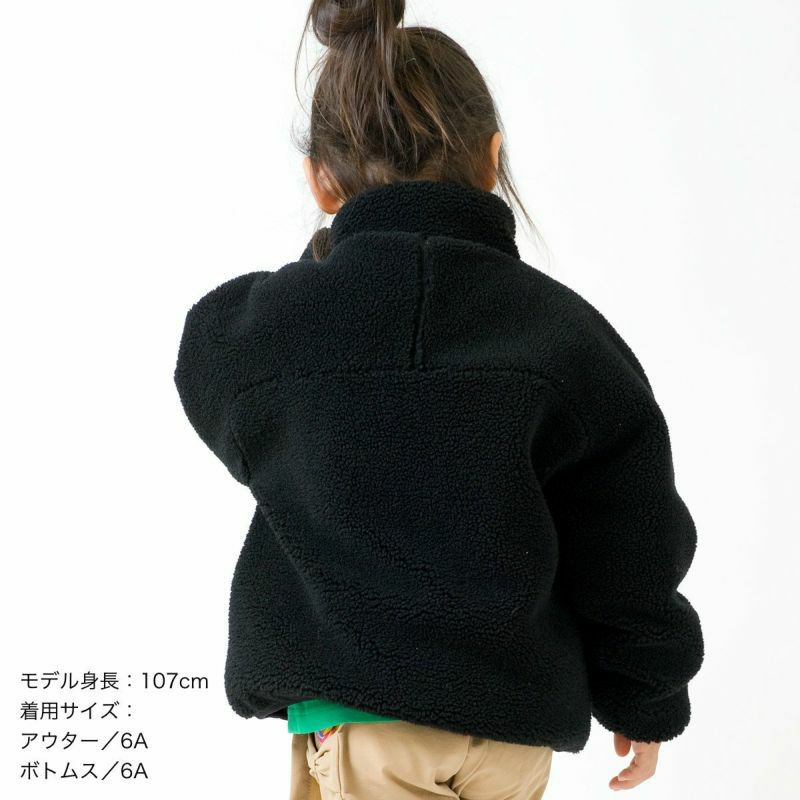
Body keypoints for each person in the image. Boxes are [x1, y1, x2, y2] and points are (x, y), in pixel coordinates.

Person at [172, 1, 705, 797]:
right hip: (515, 729)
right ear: (492, 159)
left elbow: (213, 362)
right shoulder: (566, 336)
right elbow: (629, 538)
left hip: (365, 719)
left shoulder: (268, 332)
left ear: (320, 179)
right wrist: (645, 693)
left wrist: (336, 260)